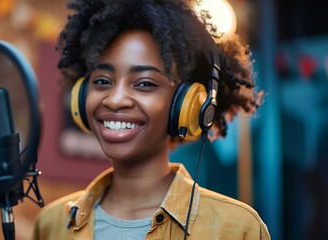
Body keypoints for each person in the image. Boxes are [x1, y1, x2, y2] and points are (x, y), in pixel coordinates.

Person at [32, 0, 270, 239]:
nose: (115, 100)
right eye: (102, 81)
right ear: (81, 95)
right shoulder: (51, 225)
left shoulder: (237, 229)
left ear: (187, 105)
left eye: (145, 83)